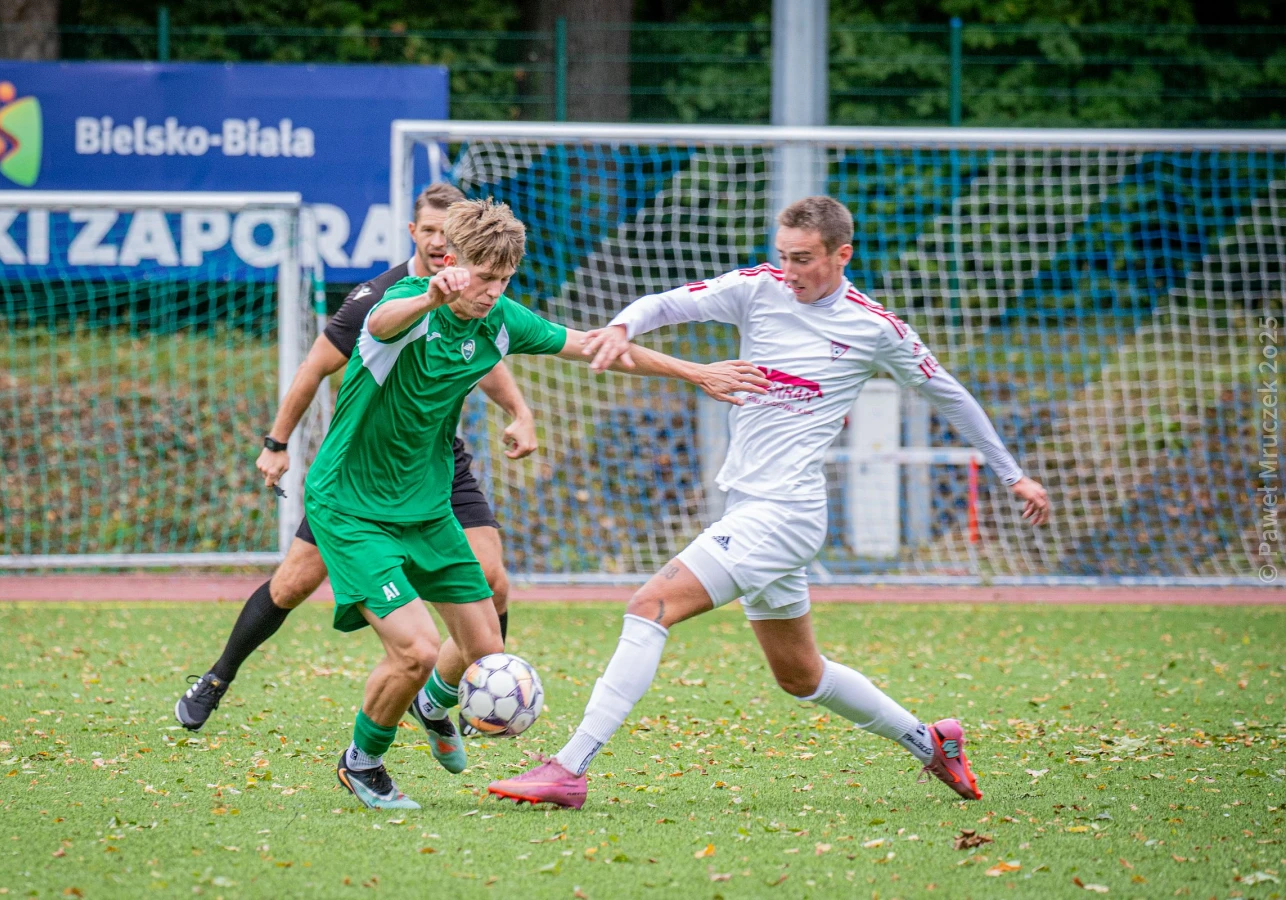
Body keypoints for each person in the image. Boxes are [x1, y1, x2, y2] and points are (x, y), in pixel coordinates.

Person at [487, 195, 1052, 810]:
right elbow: (667, 303)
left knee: (650, 605)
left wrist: (1012, 475)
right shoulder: (759, 288)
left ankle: (569, 768)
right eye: (782, 255)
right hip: (749, 508)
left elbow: (951, 395)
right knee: (801, 675)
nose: (789, 271)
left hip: (785, 514)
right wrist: (624, 326)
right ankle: (930, 741)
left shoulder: (874, 328)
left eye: (803, 259)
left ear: (842, 255)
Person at [310, 197, 770, 809]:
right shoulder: (410, 304)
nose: (491, 291)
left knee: (486, 654)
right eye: (482, 276)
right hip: (352, 506)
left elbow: (597, 347)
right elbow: (381, 324)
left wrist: (696, 372)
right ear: (449, 260)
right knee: (416, 650)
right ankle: (363, 761)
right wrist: (429, 297)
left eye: (504, 279)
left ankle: (431, 704)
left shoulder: (500, 318)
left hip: (425, 507)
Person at [175, 185, 530, 759]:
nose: (439, 241)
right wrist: (276, 443)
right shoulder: (380, 298)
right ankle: (218, 676)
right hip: (363, 471)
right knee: (293, 583)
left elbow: (486, 353)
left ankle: (453, 700)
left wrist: (520, 411)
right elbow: (315, 367)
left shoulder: (481, 298)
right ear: (416, 234)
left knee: (493, 579)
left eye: (448, 231)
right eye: (430, 230)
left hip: (437, 464)